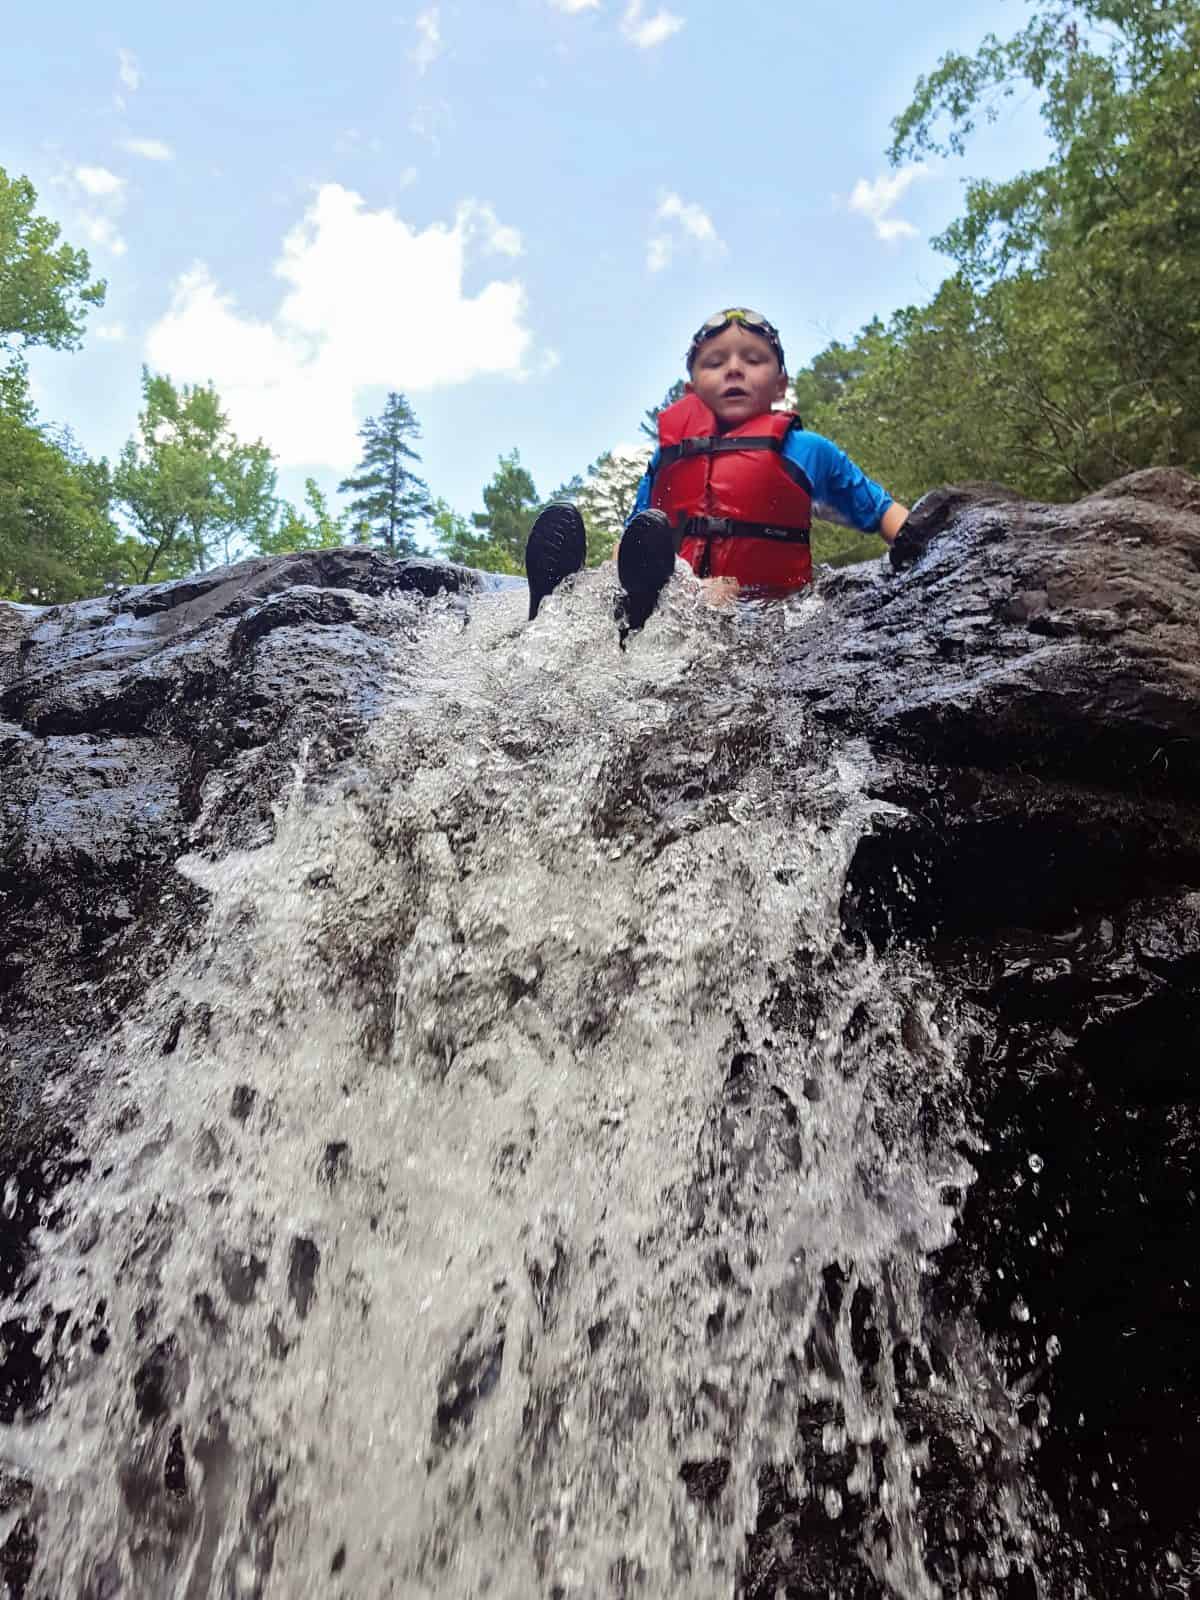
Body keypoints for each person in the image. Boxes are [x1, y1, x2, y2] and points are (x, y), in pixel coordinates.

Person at [523, 307, 912, 628]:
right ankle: (557, 604)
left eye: (754, 359)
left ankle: (625, 613)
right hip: (675, 599)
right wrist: (608, 582)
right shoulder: (667, 458)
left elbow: (883, 513)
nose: (734, 369)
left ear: (780, 385)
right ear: (691, 388)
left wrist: (926, 545)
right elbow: (633, 544)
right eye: (715, 362)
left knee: (712, 597)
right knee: (641, 570)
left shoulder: (808, 451)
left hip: (764, 613)